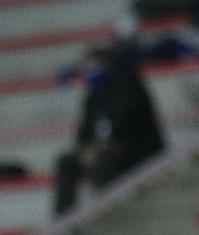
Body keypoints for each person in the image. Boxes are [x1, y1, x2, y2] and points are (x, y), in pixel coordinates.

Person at [53, 41, 166, 215]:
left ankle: (104, 214)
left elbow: (126, 122)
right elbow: (84, 130)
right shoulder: (93, 95)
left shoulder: (129, 85)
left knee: (105, 161)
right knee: (66, 161)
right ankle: (64, 219)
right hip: (103, 149)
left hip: (133, 149)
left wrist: (101, 147)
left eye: (94, 66)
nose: (90, 71)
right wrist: (85, 149)